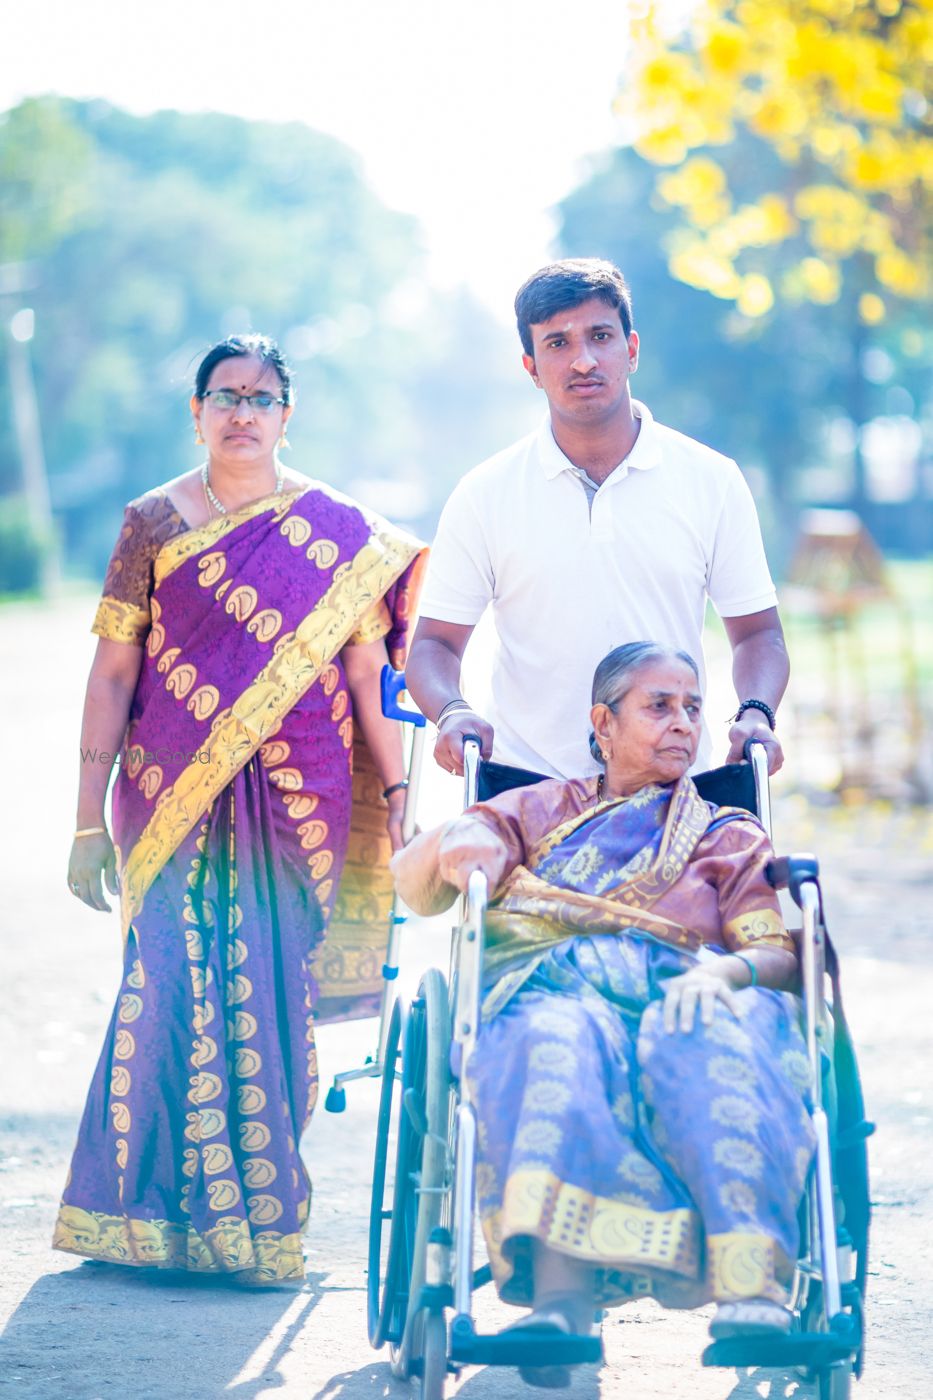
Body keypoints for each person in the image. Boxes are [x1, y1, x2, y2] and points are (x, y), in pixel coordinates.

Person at [56, 334, 426, 1285]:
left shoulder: (337, 531)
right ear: (196, 410)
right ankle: (136, 1216)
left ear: (287, 413)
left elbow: (364, 668)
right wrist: (87, 819)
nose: (241, 412)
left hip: (296, 799)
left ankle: (256, 1227)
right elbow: (112, 672)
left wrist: (398, 795)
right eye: (223, 395)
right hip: (167, 791)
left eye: (260, 397)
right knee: (167, 984)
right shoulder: (151, 521)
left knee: (268, 994)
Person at [392, 642, 813, 1384]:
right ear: (602, 723)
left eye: (691, 707)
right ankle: (560, 1304)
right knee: (555, 1038)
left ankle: (753, 1293)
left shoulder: (728, 834)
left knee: (717, 1035)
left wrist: (728, 970)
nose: (682, 723)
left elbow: (775, 956)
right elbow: (422, 877)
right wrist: (463, 847)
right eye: (659, 706)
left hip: (689, 991)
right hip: (556, 987)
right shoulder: (536, 809)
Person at [406, 257, 788, 787]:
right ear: (531, 367)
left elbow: (758, 635)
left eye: (600, 336)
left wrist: (755, 713)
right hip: (526, 790)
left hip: (676, 789)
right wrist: (452, 712)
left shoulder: (711, 480)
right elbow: (433, 647)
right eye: (557, 343)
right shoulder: (484, 494)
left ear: (631, 350)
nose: (583, 360)